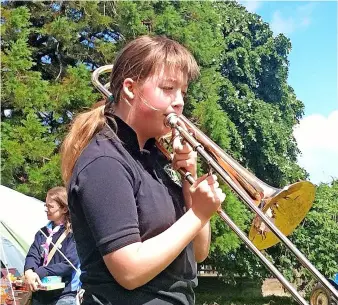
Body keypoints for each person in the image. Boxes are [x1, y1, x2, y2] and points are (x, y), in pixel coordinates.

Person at [61, 35, 226, 305]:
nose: (179, 101)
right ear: (129, 88)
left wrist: (189, 181)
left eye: (182, 92)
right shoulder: (105, 161)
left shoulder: (152, 163)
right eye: (168, 88)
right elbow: (129, 270)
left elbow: (198, 252)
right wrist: (197, 213)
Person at [24, 187, 80, 305]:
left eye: (50, 206)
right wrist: (29, 271)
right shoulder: (42, 233)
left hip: (64, 295)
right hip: (41, 294)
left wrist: (41, 271)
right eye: (46, 205)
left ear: (64, 208)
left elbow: (69, 264)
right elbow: (32, 255)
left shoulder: (74, 234)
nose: (46, 209)